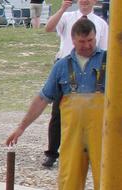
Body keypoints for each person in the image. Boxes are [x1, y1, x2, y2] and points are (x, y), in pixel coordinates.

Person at [5, 18, 105, 190]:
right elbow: (42, 98)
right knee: (68, 180)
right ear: (73, 39)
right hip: (71, 137)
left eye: (90, 40)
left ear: (95, 38)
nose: (87, 45)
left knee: (108, 184)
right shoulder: (61, 66)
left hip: (104, 135)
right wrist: (21, 127)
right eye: (82, 41)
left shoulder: (110, 61)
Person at [41, 0, 108, 168]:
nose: (84, 1)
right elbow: (48, 28)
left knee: (90, 114)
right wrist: (62, 7)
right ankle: (52, 153)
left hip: (89, 70)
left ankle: (90, 151)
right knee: (58, 113)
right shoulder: (67, 16)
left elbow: (103, 50)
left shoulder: (100, 23)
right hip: (65, 68)